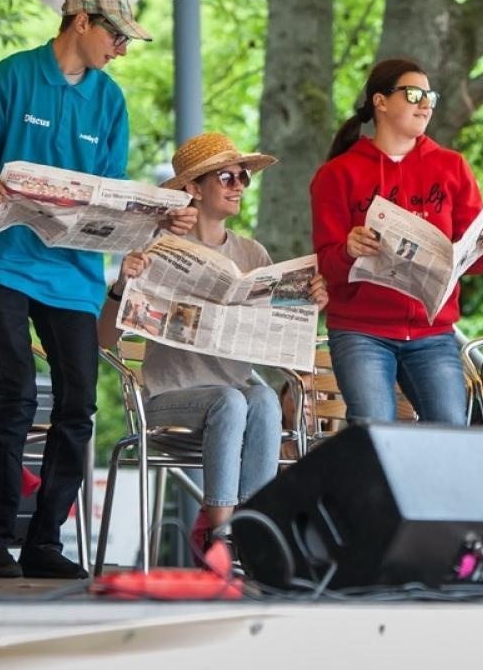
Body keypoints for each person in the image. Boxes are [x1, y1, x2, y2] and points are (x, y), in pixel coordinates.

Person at [0, 0, 194, 579]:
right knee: (14, 392)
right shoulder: (10, 77)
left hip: (73, 270)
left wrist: (159, 210)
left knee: (78, 405)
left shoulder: (110, 101)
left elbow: (110, 195)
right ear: (80, 22)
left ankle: (44, 542)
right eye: (115, 36)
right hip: (2, 256)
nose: (121, 48)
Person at [108, 132, 327, 564]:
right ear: (193, 187)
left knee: (262, 397)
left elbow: (273, 330)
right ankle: (221, 536)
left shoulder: (252, 253)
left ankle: (253, 525)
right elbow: (103, 341)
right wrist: (120, 284)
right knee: (231, 400)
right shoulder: (159, 249)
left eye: (243, 176)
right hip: (167, 399)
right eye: (226, 176)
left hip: (236, 398)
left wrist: (309, 301)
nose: (239, 185)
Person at [310, 58, 483, 425]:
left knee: (451, 427)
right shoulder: (337, 174)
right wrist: (348, 250)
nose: (425, 103)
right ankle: (371, 486)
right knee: (372, 426)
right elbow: (325, 266)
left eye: (429, 95)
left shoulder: (452, 166)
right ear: (380, 101)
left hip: (432, 332)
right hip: (360, 329)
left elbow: (475, 262)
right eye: (414, 94)